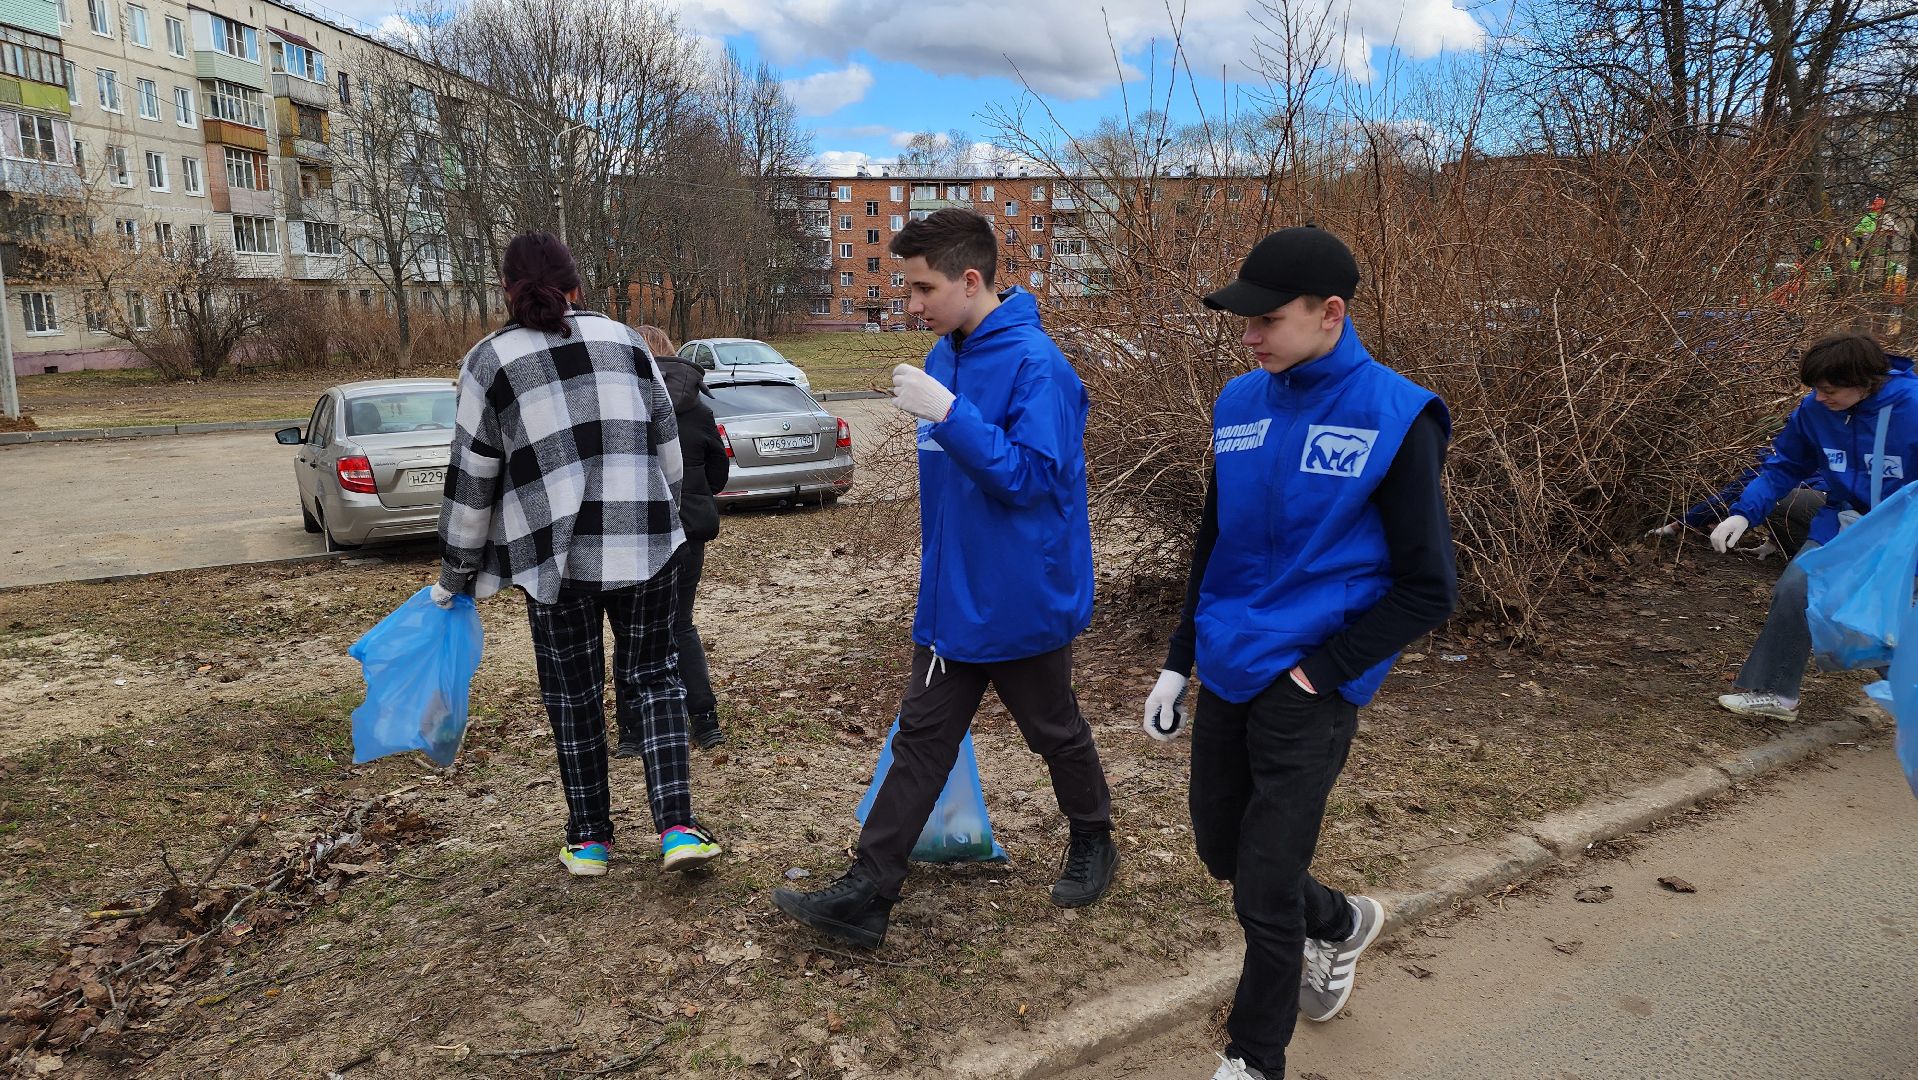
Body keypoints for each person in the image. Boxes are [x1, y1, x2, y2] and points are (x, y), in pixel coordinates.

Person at [1140, 227, 1456, 1080]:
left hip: (1311, 680)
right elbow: (1216, 540)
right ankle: (1343, 922)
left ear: (1330, 314)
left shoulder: (1397, 416)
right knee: (1222, 851)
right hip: (1231, 662)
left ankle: (1253, 1059)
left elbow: (1432, 587)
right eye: (1244, 321)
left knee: (1265, 884)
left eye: (1267, 320)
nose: (1249, 336)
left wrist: (1322, 671)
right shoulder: (1239, 402)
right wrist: (1181, 658)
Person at [770, 208, 1117, 948]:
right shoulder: (943, 357)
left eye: (923, 288)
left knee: (1052, 730)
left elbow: (1032, 480)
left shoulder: (1038, 365)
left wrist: (953, 416)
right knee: (922, 739)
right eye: (908, 288)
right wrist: (948, 406)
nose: (912, 304)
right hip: (952, 595)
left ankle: (1093, 836)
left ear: (970, 279)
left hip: (1021, 593)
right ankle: (867, 895)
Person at [432, 231, 722, 877]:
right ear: (576, 286)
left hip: (552, 561)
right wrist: (669, 512)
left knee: (573, 696)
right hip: (646, 544)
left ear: (506, 290)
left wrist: (455, 571)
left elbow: (473, 477)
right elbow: (668, 443)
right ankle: (677, 828)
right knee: (655, 680)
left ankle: (590, 838)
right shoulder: (624, 341)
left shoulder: (488, 361)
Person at [1709, 333, 1918, 722]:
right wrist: (1743, 513)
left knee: (1874, 621)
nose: (1821, 398)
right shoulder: (1815, 410)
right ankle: (1775, 693)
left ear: (1866, 380)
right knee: (1797, 589)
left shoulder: (1913, 406)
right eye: (1816, 390)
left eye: (1830, 390)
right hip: (1847, 520)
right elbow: (1783, 465)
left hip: (1907, 528)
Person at [631, 324, 729, 752]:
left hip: (636, 530)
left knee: (634, 629)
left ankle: (635, 731)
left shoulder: (624, 402)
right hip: (688, 528)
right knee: (681, 624)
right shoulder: (699, 409)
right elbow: (719, 474)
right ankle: (705, 722)